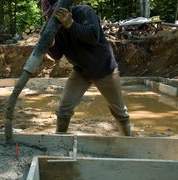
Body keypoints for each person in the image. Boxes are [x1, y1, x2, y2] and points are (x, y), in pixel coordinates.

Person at [40, 0, 131, 136]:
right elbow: (57, 55)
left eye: (53, 12)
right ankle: (59, 141)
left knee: (120, 112)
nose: (50, 17)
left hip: (104, 68)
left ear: (63, 7)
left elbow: (93, 37)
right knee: (63, 109)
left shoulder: (84, 12)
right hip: (81, 70)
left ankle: (128, 141)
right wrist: (50, 43)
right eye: (48, 15)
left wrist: (70, 24)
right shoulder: (54, 26)